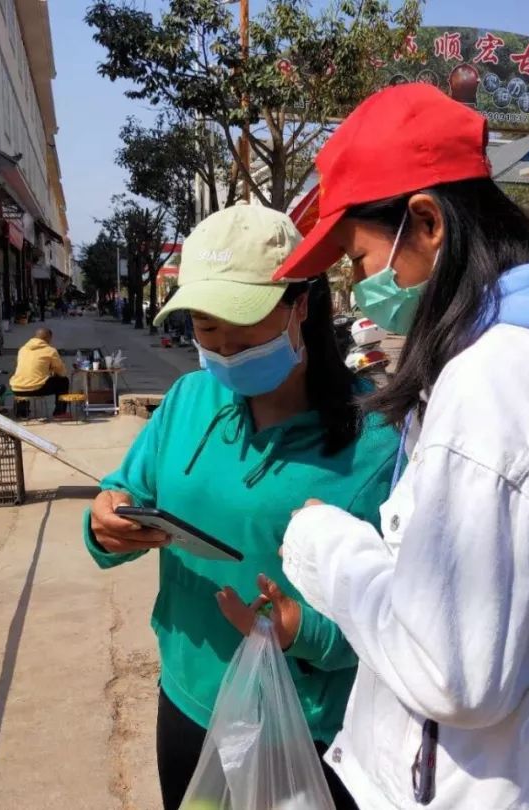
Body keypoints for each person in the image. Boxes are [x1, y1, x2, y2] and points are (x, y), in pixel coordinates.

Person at [273, 84, 529, 809]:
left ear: (425, 223)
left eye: (360, 259)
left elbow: (452, 671)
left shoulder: (495, 382)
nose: (361, 288)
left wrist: (323, 546)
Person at [84, 204, 399, 810]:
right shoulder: (188, 399)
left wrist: (305, 633)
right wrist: (106, 520)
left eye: (246, 329)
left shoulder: (378, 441)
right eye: (206, 330)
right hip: (188, 696)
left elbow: (407, 619)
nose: (225, 350)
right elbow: (125, 488)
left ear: (300, 304)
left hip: (305, 728)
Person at [9, 327, 71, 417]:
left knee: (27, 380)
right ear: (48, 338)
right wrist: (52, 371)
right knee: (63, 381)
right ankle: (60, 412)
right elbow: (61, 371)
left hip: (16, 388)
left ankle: (22, 412)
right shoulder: (50, 351)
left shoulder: (22, 349)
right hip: (37, 389)